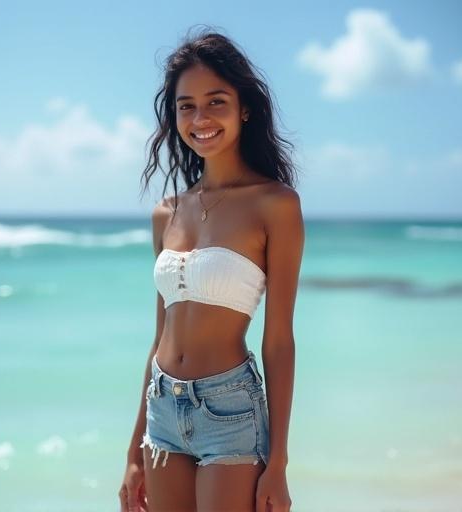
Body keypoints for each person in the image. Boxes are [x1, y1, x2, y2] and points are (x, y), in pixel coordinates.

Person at [119, 27, 305, 512]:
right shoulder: (167, 211)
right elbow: (160, 335)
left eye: (215, 101)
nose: (200, 118)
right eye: (186, 106)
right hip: (162, 407)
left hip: (230, 408)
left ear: (244, 108)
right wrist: (134, 449)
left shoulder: (275, 204)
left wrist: (279, 462)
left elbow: (279, 339)